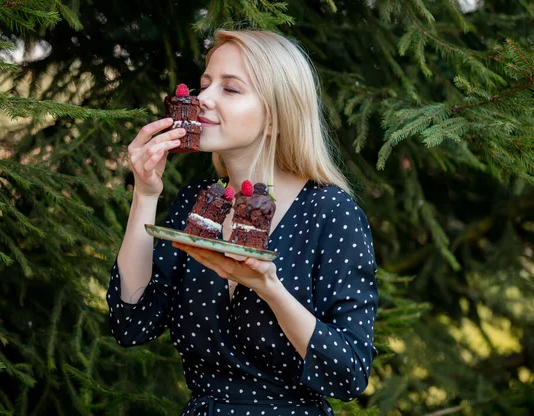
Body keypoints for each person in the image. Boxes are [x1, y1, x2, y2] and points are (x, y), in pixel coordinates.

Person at [106, 29, 378, 415]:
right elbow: (131, 322)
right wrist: (145, 194)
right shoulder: (199, 203)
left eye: (230, 90)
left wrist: (271, 290)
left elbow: (349, 374)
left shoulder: (330, 213)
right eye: (204, 84)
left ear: (275, 118)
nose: (202, 99)